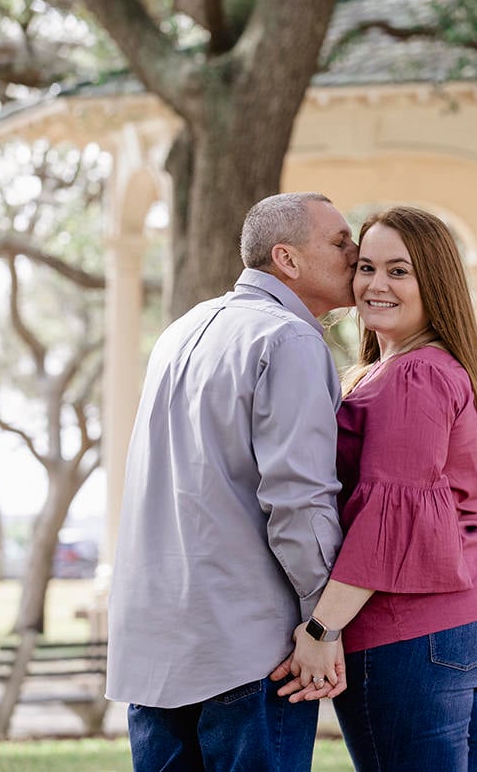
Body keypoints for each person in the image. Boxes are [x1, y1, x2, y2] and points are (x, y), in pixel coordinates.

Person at [107, 192, 358, 772]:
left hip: (155, 652)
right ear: (287, 259)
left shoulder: (180, 331)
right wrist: (324, 624)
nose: (355, 253)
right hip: (246, 653)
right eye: (340, 242)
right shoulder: (288, 339)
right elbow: (299, 499)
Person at [271, 205, 477, 771]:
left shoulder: (416, 374)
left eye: (399, 271)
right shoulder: (403, 369)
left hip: (418, 637)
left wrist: (320, 627)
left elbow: (388, 521)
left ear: (433, 281)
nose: (374, 284)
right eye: (365, 267)